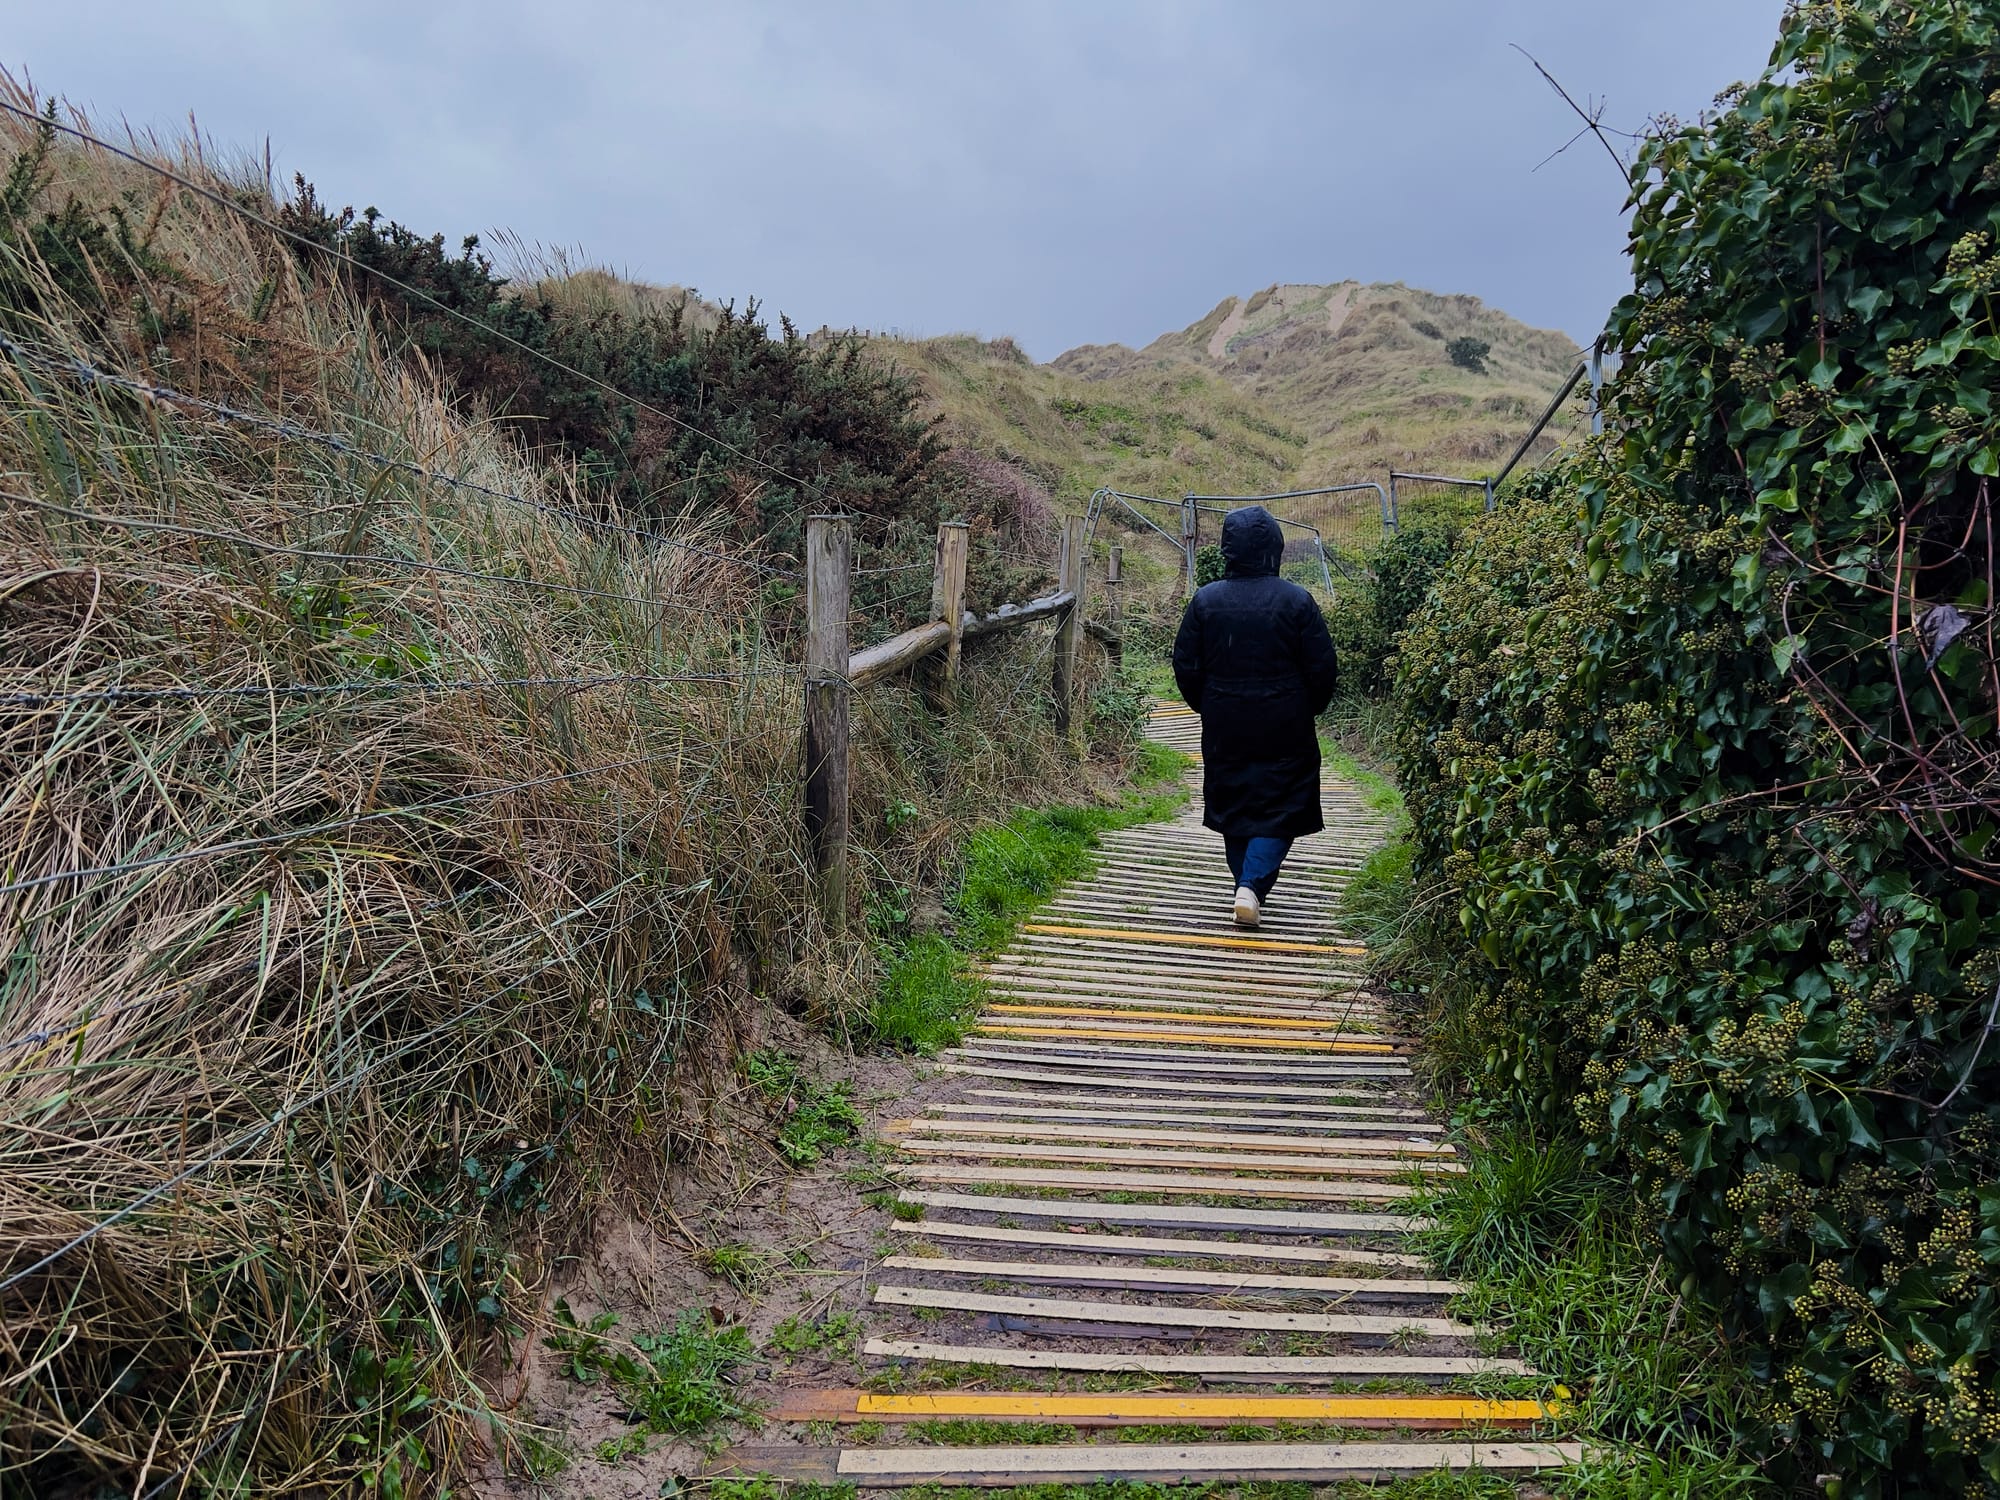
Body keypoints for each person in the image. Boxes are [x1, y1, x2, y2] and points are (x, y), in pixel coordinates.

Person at [1170, 506, 1339, 927]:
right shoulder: (1297, 601)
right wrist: (1308, 706)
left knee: (1234, 801)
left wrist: (1208, 703)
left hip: (1226, 722)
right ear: (1275, 548)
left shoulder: (1206, 600)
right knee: (1284, 802)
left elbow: (1185, 665)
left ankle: (1245, 886)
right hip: (1286, 722)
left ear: (1228, 548)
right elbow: (1322, 668)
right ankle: (1250, 887)